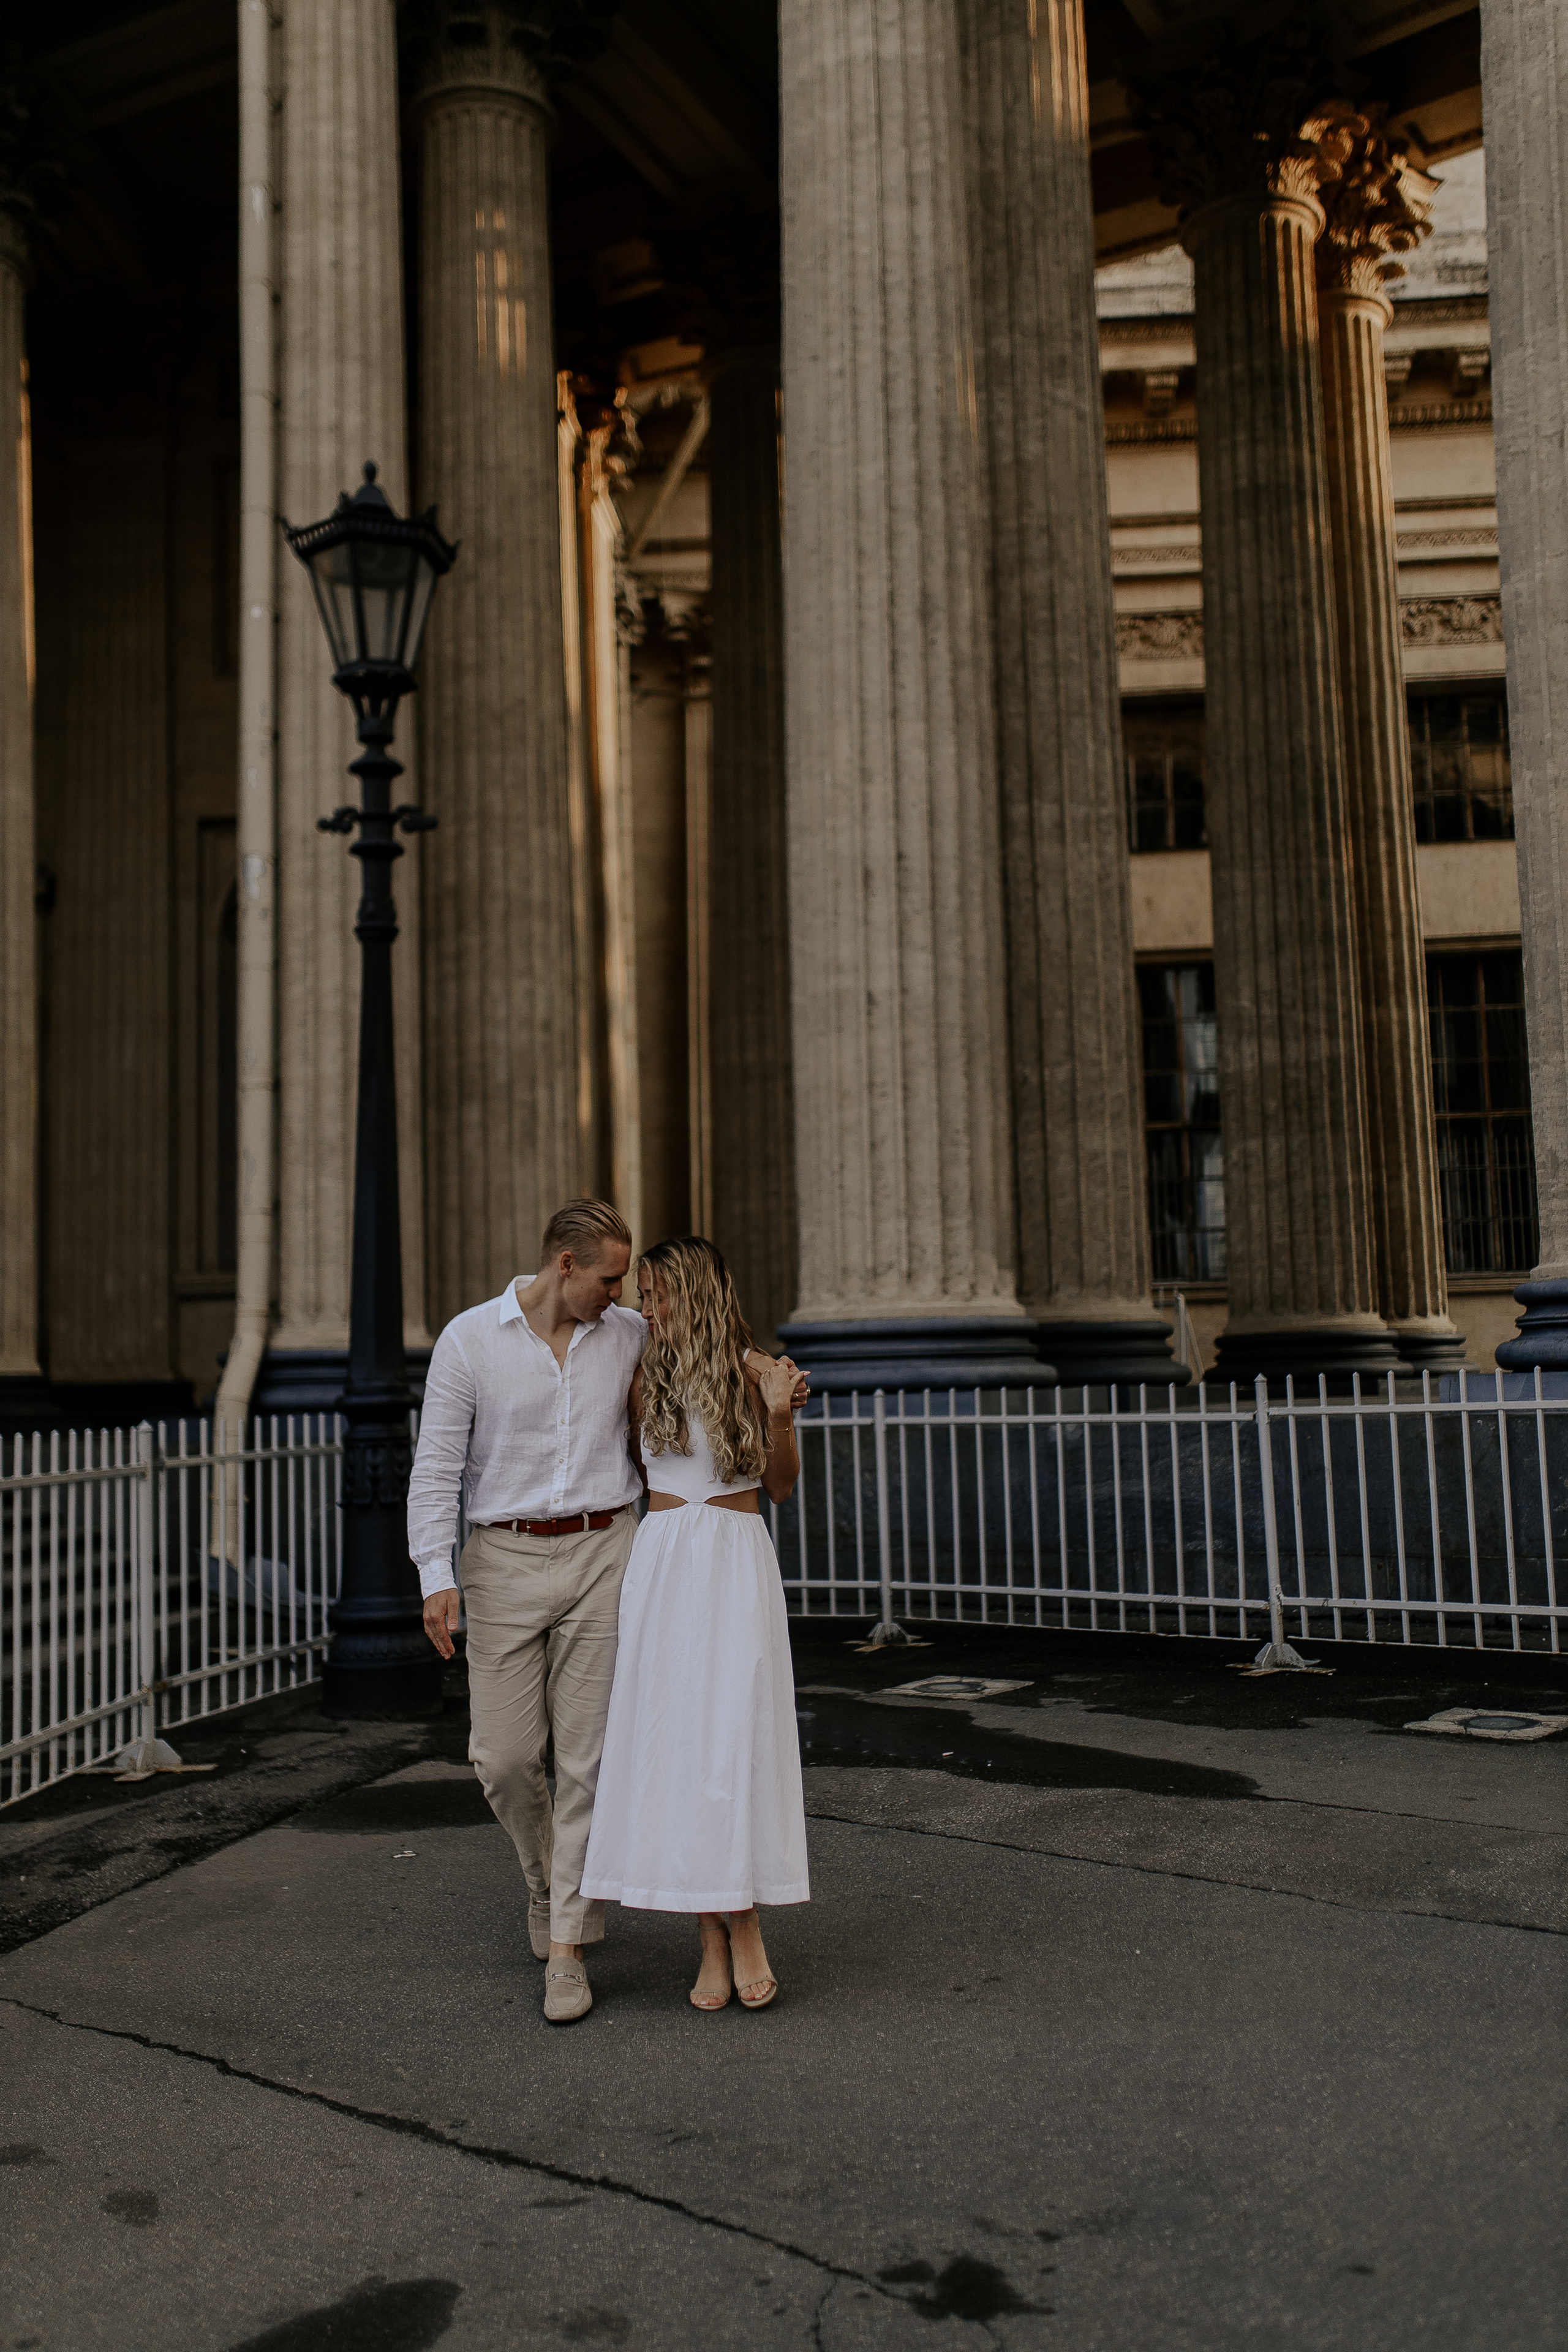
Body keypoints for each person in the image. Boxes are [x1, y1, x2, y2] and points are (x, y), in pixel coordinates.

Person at [406, 1198, 646, 2026]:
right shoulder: (470, 1340)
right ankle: (547, 1884)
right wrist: (436, 1573)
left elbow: (705, 1359)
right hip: (502, 1558)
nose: (621, 1291)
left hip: (603, 1549)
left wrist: (771, 1375)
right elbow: (437, 1468)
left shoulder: (631, 1336)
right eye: (610, 1277)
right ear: (566, 1265)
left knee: (587, 1761)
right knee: (504, 1758)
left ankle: (570, 1949)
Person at [581, 1236, 810, 2011]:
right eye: (641, 1294)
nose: (647, 1308)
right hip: (667, 1562)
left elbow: (778, 1487)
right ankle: (716, 1935)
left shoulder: (756, 1374)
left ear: (697, 1292)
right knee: (680, 1748)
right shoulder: (641, 1371)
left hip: (737, 1562)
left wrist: (779, 1413)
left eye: (659, 1293)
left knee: (734, 1743)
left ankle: (741, 1924)